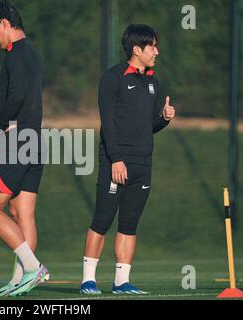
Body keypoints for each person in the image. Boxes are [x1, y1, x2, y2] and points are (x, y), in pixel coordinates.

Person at [80, 24, 176, 295]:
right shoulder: (113, 78)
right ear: (137, 49)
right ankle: (88, 280)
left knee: (130, 223)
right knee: (102, 219)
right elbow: (108, 123)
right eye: (152, 47)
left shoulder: (154, 82)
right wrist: (116, 159)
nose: (157, 52)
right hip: (116, 161)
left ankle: (122, 281)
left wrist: (164, 119)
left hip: (143, 163)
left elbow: (149, 126)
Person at [0, 0, 49, 297]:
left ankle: (33, 268)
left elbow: (16, 95)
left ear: (5, 24)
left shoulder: (18, 56)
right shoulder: (27, 54)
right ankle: (21, 279)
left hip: (15, 140)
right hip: (33, 140)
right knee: (23, 213)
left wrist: (5, 126)